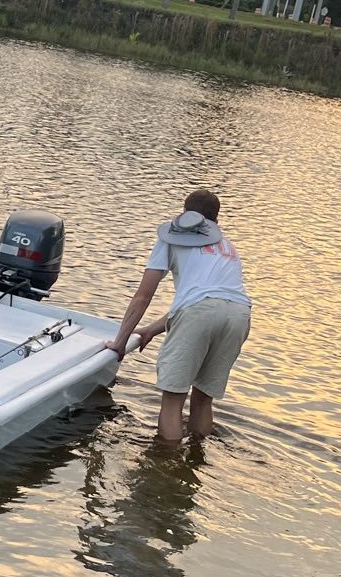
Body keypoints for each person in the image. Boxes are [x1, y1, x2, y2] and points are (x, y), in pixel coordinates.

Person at [105, 188, 251, 443]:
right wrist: (152, 329)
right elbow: (211, 301)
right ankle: (196, 459)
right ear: (216, 220)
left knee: (172, 401)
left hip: (200, 314)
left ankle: (167, 464)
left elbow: (144, 296)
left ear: (185, 214)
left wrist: (119, 342)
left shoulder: (171, 238)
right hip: (239, 315)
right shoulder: (227, 246)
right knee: (203, 401)